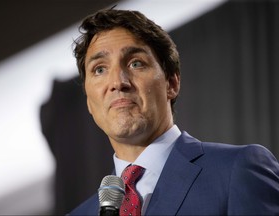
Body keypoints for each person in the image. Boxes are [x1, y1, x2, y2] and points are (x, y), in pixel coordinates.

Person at [69, 8, 279, 215]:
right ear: (89, 101)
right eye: (100, 69)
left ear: (171, 83)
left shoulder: (237, 170)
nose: (117, 82)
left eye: (135, 63)